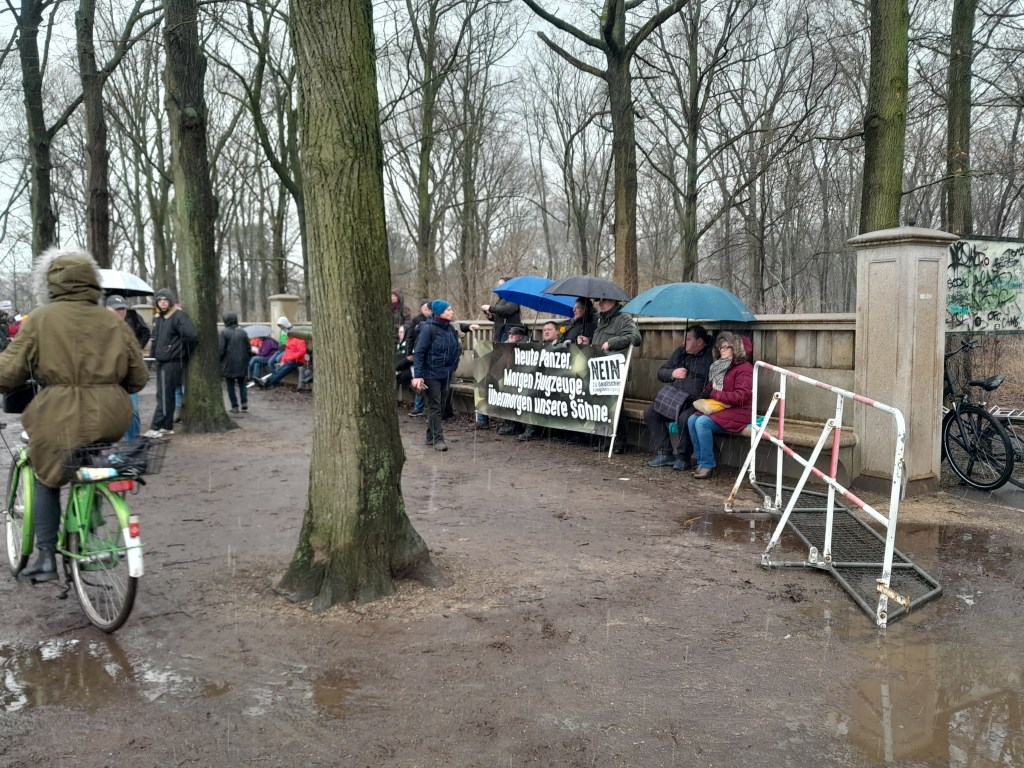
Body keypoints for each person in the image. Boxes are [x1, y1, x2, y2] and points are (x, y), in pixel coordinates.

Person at [0, 247, 148, 582]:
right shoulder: (112, 322)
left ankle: (46, 558)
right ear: (93, 281)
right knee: (89, 460)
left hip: (61, 415)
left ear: (51, 282)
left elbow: (8, 372)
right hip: (112, 416)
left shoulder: (41, 319)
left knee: (46, 476)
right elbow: (138, 378)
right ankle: (88, 527)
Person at [687, 332, 754, 479]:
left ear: (736, 349)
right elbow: (712, 387)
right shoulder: (720, 366)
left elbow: (741, 397)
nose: (722, 350)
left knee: (702, 422)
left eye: (726, 347)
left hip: (740, 411)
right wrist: (705, 393)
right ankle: (701, 461)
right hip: (721, 407)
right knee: (692, 420)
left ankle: (708, 465)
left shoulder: (745, 368)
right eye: (720, 347)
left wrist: (713, 393)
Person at [645, 325, 713, 471]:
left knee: (685, 418)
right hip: (674, 398)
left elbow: (713, 383)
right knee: (651, 412)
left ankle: (683, 457)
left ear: (700, 342)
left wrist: (699, 396)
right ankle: (665, 453)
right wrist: (672, 373)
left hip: (695, 401)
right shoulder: (680, 352)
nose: (684, 342)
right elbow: (661, 373)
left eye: (688, 339)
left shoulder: (710, 356)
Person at [581, 298, 641, 453]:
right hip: (600, 369)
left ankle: (619, 441)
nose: (600, 303)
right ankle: (606, 440)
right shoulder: (602, 319)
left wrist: (612, 342)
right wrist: (588, 341)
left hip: (615, 369)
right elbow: (600, 343)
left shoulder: (624, 318)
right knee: (603, 405)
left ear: (613, 301)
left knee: (615, 406)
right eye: (599, 301)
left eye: (604, 301)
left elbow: (635, 338)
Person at [144, 288, 198, 438]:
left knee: (164, 395)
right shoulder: (159, 318)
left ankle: (155, 427)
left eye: (165, 300)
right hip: (162, 361)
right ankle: (166, 426)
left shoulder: (179, 316)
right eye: (160, 300)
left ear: (171, 301)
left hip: (172, 362)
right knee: (165, 394)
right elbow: (156, 340)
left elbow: (191, 336)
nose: (162, 302)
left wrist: (183, 353)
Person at [411, 300, 462, 451]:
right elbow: (419, 352)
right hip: (431, 373)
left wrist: (453, 366)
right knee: (435, 406)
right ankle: (438, 439)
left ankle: (430, 436)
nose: (452, 312)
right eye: (448, 310)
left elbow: (456, 347)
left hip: (447, 373)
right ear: (440, 312)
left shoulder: (450, 328)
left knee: (441, 406)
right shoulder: (428, 329)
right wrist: (418, 375)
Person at [106, 294, 151, 440]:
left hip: (127, 375)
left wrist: (137, 350)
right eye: (117, 309)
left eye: (123, 309)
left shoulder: (131, 323)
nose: (121, 312)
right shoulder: (99, 327)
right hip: (108, 377)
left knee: (132, 411)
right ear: (107, 309)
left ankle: (133, 444)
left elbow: (144, 334)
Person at [219, 312, 251, 413]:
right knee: (242, 383)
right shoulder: (243, 332)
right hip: (242, 361)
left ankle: (234, 406)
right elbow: (248, 348)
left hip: (229, 363)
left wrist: (219, 361)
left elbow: (221, 349)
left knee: (230, 385)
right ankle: (244, 402)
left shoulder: (223, 333)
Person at [408, 301, 432, 417]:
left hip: (431, 355)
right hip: (420, 353)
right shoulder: (417, 320)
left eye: (428, 309)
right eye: (425, 309)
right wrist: (409, 352)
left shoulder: (436, 320)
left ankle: (430, 409)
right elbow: (410, 336)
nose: (427, 311)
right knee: (419, 380)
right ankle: (418, 407)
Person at [481, 278, 521, 343]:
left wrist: (490, 308)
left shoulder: (514, 298)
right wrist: (491, 317)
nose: (498, 287)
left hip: (509, 335)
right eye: (498, 285)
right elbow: (501, 316)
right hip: (499, 335)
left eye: (500, 285)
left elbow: (507, 310)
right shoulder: (501, 299)